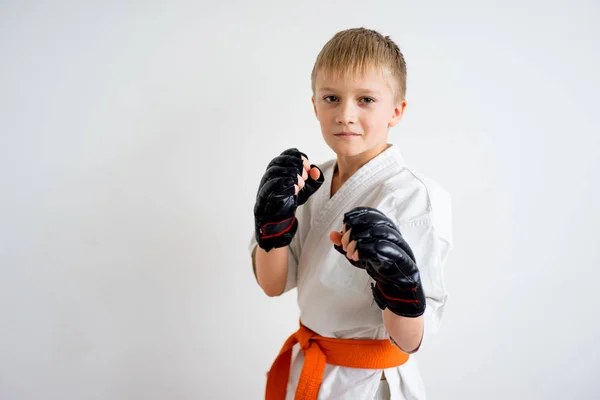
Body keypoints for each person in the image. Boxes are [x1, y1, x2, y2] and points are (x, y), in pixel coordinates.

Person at [248, 27, 453, 400]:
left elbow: (410, 340)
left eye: (365, 100)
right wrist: (270, 228)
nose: (345, 114)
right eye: (331, 98)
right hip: (311, 369)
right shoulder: (309, 182)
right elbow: (273, 284)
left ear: (397, 110)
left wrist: (399, 286)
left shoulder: (414, 199)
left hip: (371, 383)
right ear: (314, 106)